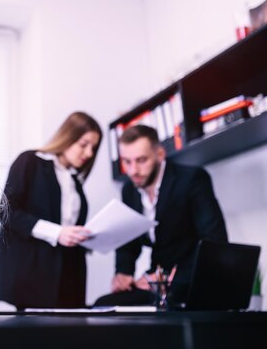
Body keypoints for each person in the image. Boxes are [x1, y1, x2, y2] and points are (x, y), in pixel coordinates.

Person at [93, 124, 228, 307]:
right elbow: (127, 239)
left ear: (160, 155)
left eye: (141, 160)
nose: (133, 171)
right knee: (104, 306)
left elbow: (215, 242)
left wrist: (168, 278)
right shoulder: (129, 190)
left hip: (190, 281)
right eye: (127, 162)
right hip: (156, 283)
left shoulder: (192, 179)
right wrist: (123, 273)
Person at [0, 111, 103, 309]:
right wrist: (57, 232)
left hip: (67, 281)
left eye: (93, 148)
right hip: (29, 277)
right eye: (84, 144)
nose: (89, 153)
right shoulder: (30, 161)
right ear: (68, 136)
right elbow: (6, 213)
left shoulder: (74, 180)